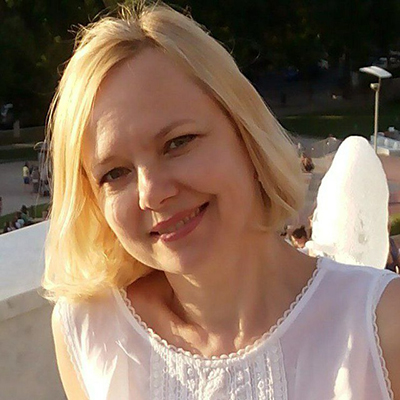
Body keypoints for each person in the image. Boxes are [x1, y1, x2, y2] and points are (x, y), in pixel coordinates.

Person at [43, 4, 400, 399]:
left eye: (177, 143)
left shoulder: (382, 329)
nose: (151, 192)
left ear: (245, 133)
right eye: (114, 173)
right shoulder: (89, 334)